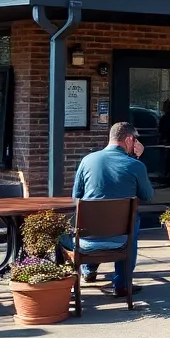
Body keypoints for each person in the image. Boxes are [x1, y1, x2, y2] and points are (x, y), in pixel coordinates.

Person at [70, 122, 155, 298]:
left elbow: (76, 196)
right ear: (129, 139)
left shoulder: (87, 160)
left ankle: (88, 269)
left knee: (83, 222)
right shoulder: (135, 165)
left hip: (87, 239)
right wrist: (137, 158)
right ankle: (122, 284)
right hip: (120, 238)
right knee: (133, 220)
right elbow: (147, 196)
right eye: (136, 139)